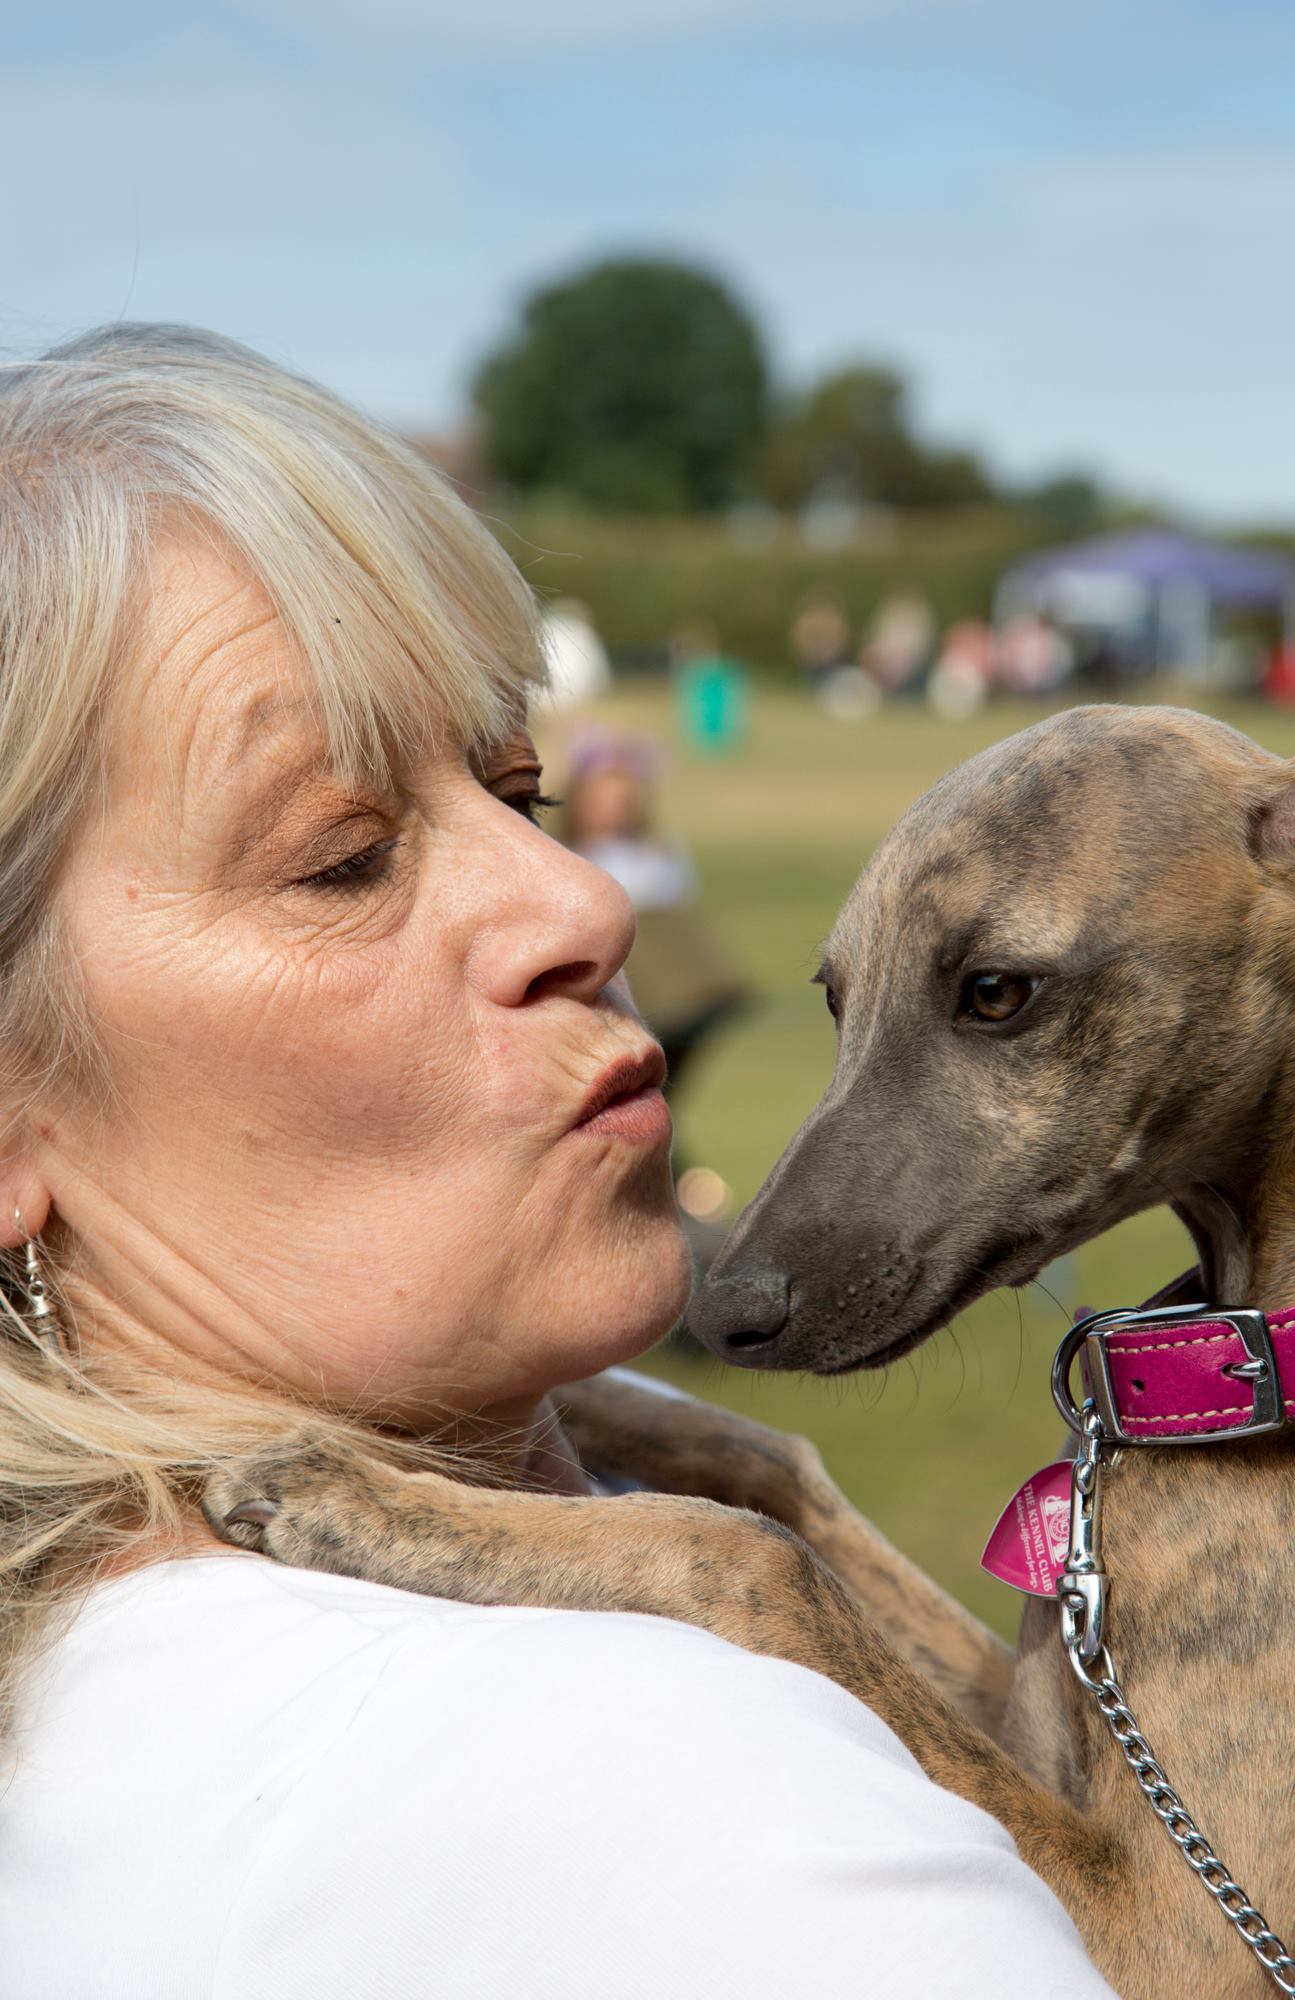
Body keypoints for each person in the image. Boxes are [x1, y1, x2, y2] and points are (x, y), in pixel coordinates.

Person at [0, 325, 1112, 1999]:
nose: (582, 905)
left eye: (514, 784)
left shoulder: (92, 1717)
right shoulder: (650, 1783)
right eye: (343, 858)